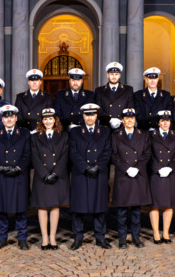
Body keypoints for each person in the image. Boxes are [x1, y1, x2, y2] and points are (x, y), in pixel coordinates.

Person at [0, 105, 31, 250]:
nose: (9, 119)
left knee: (20, 210)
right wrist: (0, 167)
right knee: (1, 209)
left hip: (19, 175)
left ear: (16, 118)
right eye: (6, 117)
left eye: (12, 116)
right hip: (1, 175)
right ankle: (1, 238)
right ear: (2, 119)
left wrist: (18, 167)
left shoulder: (24, 133)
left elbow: (28, 154)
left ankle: (22, 238)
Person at [69, 103, 112, 250]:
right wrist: (86, 167)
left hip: (98, 172)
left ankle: (100, 238)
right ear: (83, 116)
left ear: (96, 116)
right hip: (81, 173)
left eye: (92, 114)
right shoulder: (75, 132)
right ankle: (78, 238)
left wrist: (98, 166)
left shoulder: (105, 131)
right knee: (78, 208)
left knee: (99, 207)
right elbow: (73, 152)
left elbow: (108, 151)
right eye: (87, 114)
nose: (89, 117)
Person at [111, 108, 152, 248]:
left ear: (135, 120)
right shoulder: (116, 135)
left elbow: (147, 154)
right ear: (122, 120)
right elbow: (114, 155)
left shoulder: (144, 135)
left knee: (136, 210)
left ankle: (136, 237)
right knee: (122, 211)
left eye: (132, 118)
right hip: (123, 175)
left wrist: (137, 168)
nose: (129, 120)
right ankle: (122, 238)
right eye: (127, 118)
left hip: (138, 174)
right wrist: (127, 168)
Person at [30, 108, 69, 250]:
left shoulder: (63, 136)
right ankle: (44, 237)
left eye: (50, 119)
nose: (48, 121)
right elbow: (34, 157)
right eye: (45, 119)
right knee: (42, 206)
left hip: (57, 175)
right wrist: (44, 173)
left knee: (54, 205)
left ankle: (52, 237)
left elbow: (64, 156)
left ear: (55, 120)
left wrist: (55, 173)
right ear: (42, 121)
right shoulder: (34, 137)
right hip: (42, 176)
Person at [148, 110, 175, 244]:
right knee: (155, 204)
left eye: (167, 121)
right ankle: (156, 233)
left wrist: (170, 167)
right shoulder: (151, 135)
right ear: (158, 122)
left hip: (170, 172)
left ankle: (166, 233)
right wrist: (157, 168)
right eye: (162, 121)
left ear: (170, 122)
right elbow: (148, 153)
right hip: (156, 173)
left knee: (169, 204)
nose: (165, 123)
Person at [94, 62, 134, 130]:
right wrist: (110, 120)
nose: (114, 77)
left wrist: (121, 120)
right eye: (112, 74)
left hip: (122, 127)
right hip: (105, 127)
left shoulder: (128, 90)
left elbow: (130, 108)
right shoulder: (99, 91)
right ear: (107, 75)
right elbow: (98, 110)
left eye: (116, 74)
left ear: (120, 75)